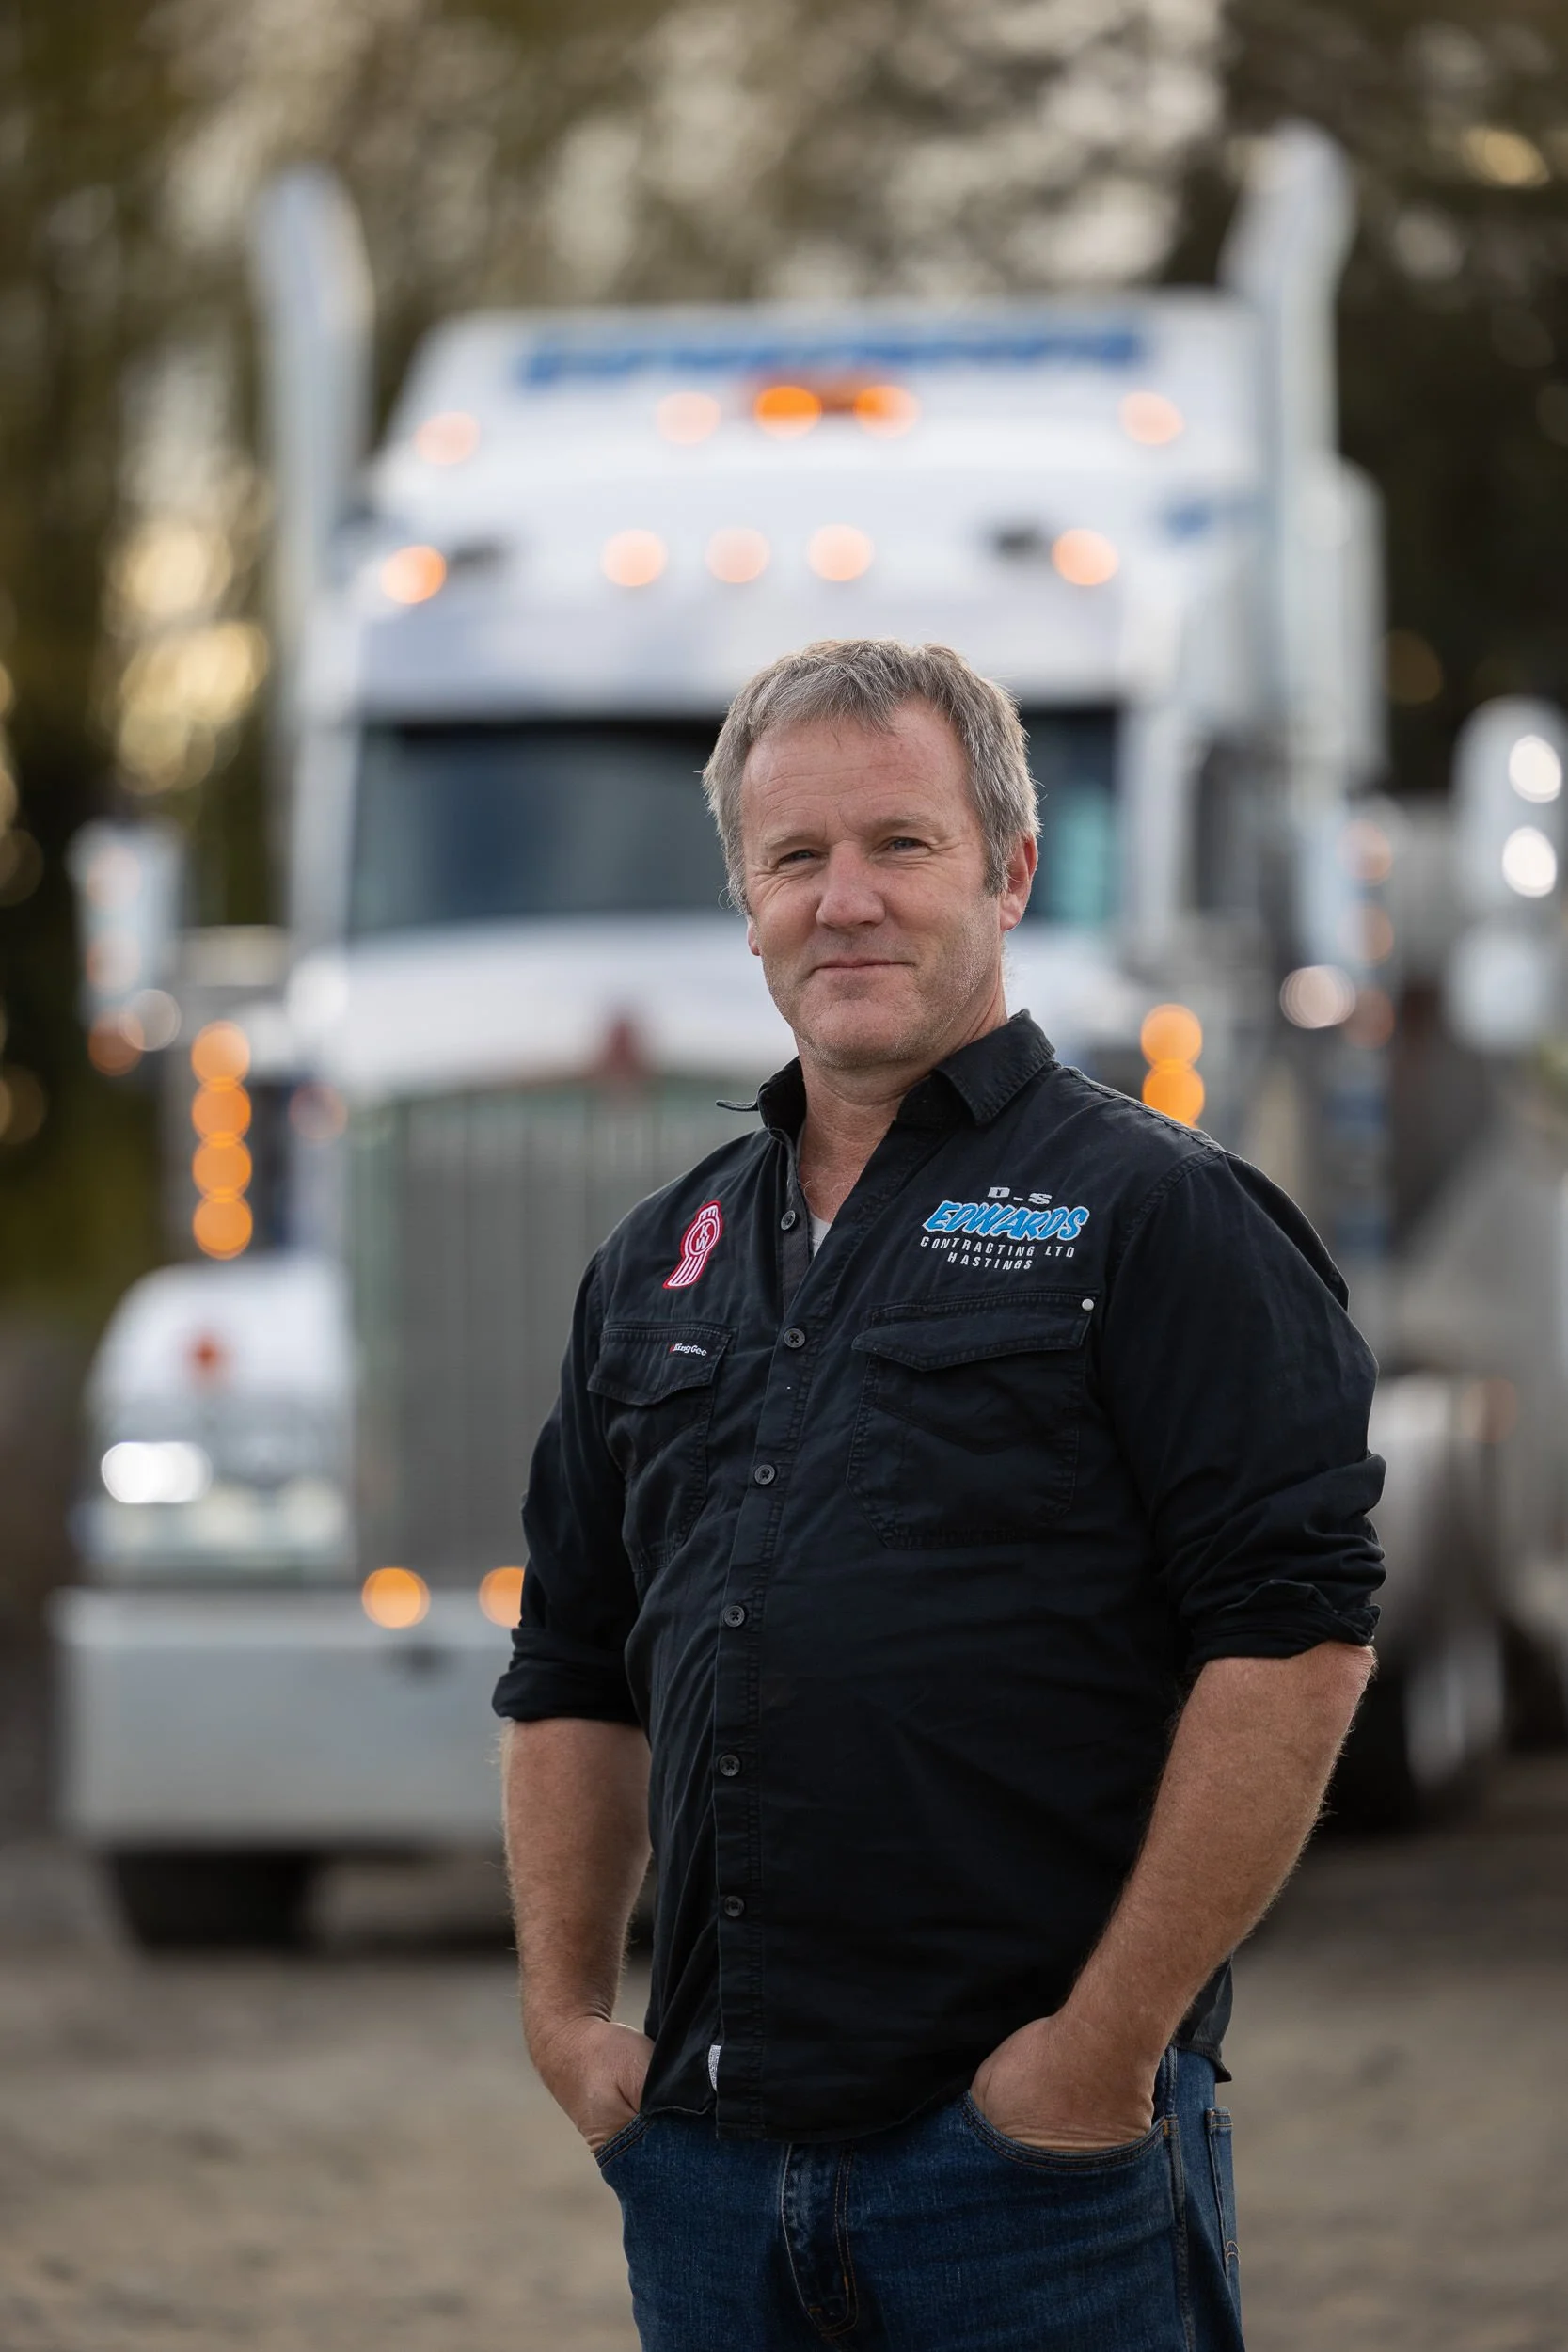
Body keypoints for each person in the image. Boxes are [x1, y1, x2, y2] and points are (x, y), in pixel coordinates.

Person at [494, 637, 1384, 2352]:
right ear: (743, 899)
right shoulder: (654, 1265)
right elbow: (568, 1666)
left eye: (899, 845)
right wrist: (561, 2021)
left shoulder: (1158, 1219)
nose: (846, 902)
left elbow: (1293, 1640)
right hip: (709, 2177)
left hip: (1026, 2182)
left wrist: (1101, 2052)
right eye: (794, 859)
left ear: (1010, 870)